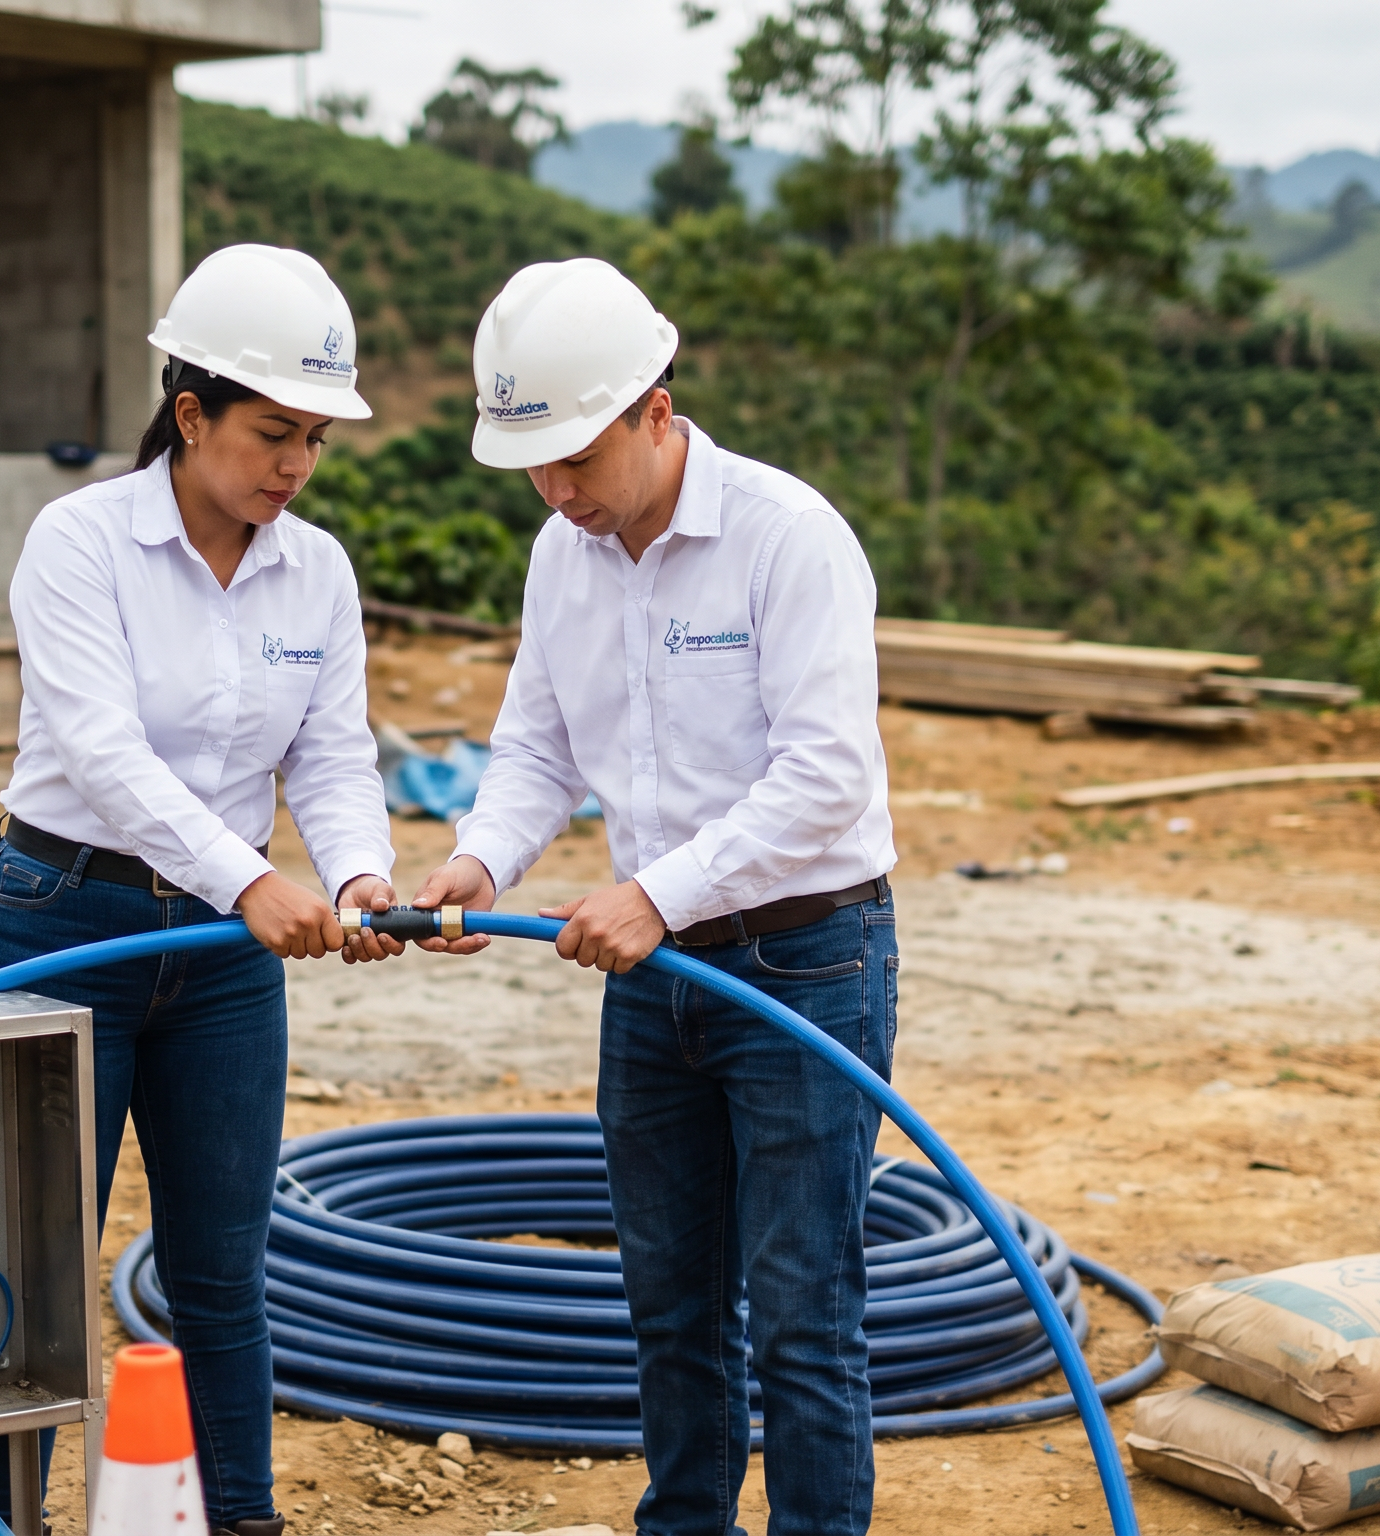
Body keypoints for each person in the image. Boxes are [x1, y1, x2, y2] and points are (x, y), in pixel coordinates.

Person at [410, 257, 898, 1536]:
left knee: (801, 1309)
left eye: (576, 457)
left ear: (655, 409)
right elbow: (537, 750)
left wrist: (660, 893)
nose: (556, 491)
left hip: (803, 963)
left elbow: (828, 776)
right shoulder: (562, 556)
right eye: (533, 464)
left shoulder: (788, 540)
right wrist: (482, 858)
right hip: (657, 979)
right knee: (669, 1300)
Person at [0, 243, 405, 1536]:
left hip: (221, 966)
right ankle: (8, 1524)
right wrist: (249, 880)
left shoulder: (314, 572)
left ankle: (242, 1521)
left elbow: (330, 754)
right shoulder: (79, 543)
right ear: (193, 411)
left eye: (316, 441)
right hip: (64, 923)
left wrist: (361, 869)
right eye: (275, 433)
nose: (295, 467)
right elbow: (102, 757)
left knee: (222, 1268)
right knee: (29, 1274)